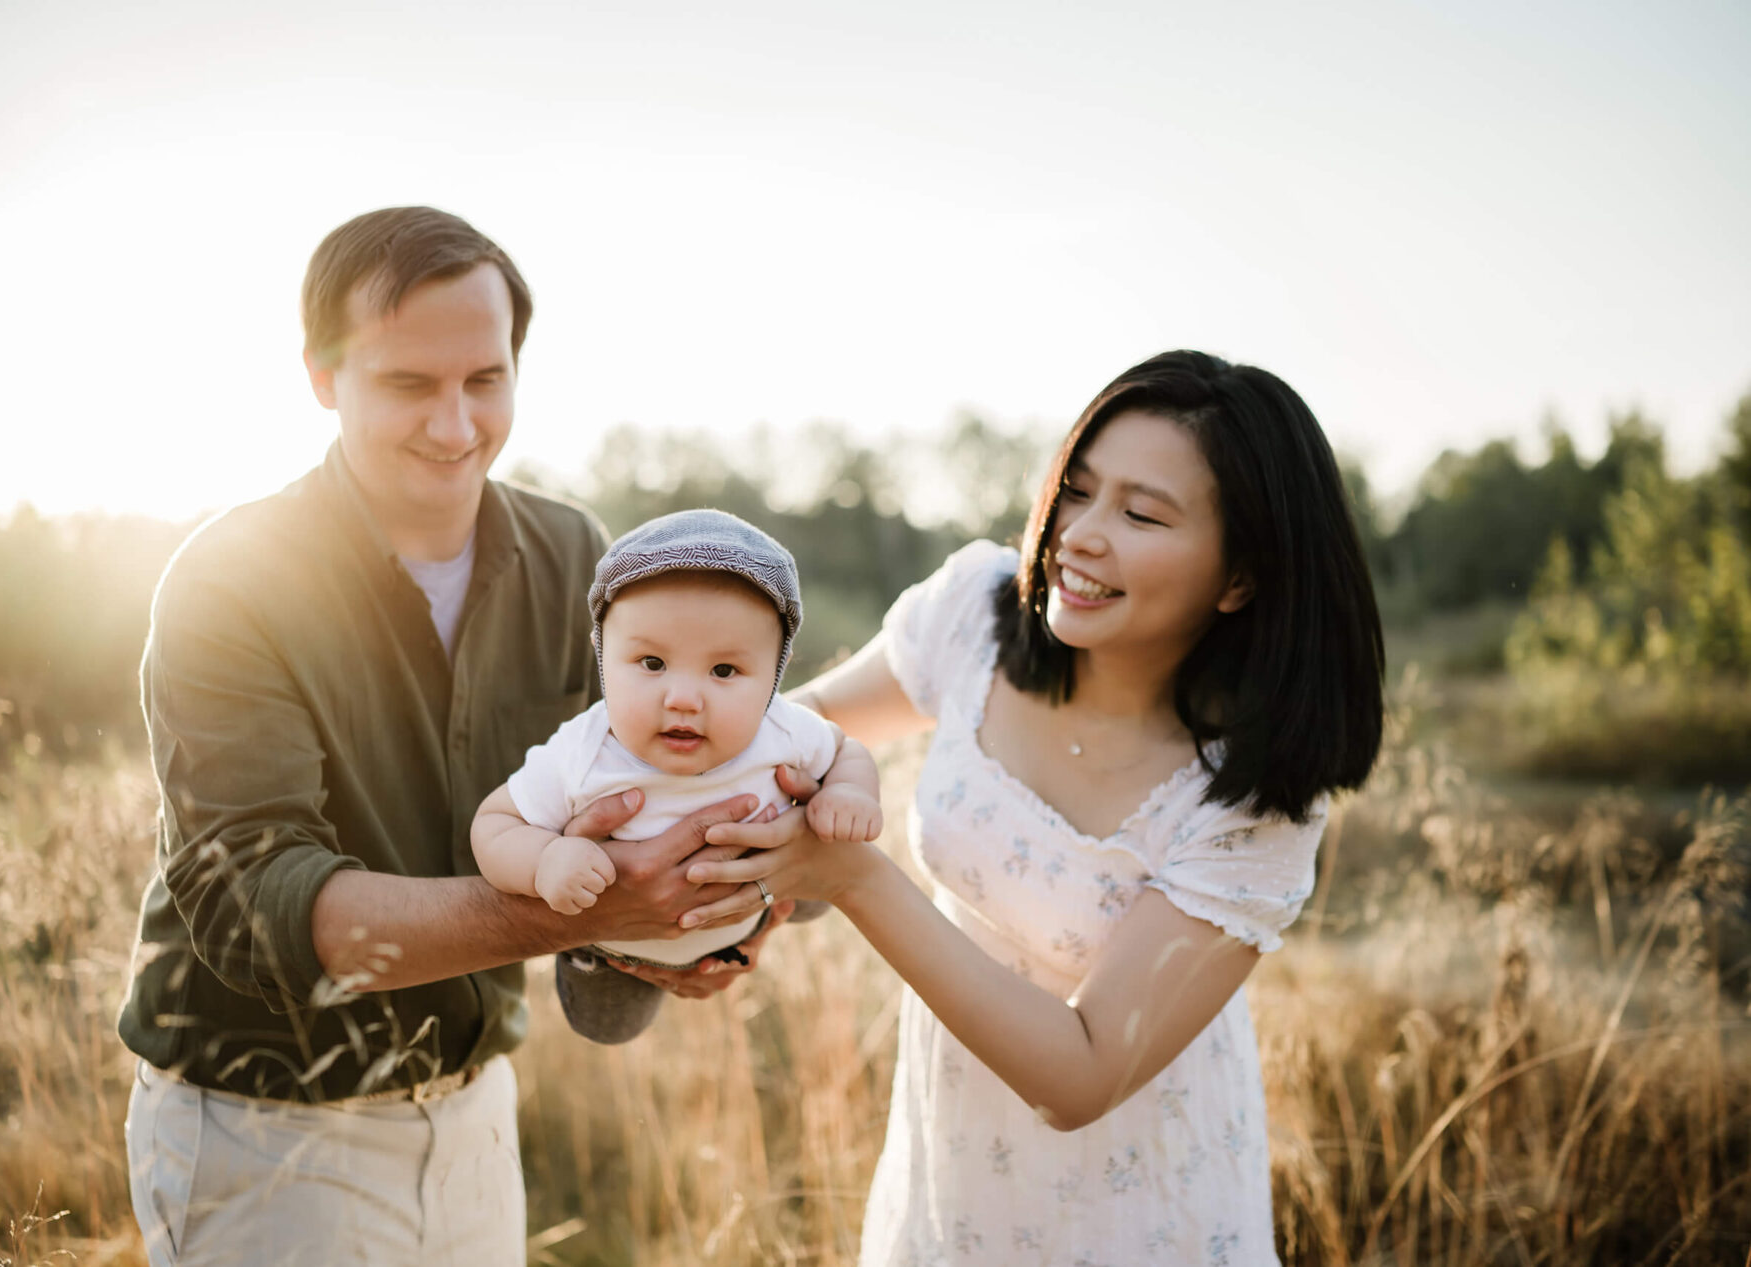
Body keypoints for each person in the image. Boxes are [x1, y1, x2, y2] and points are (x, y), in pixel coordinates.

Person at [115, 207, 784, 1267]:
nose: (456, 422)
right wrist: (585, 907)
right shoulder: (228, 580)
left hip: (476, 1111)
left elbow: (618, 800)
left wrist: (679, 932)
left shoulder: (577, 560)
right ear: (321, 375)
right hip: (262, 1129)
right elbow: (255, 905)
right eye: (408, 385)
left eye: (485, 378)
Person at [685, 351, 1386, 1265]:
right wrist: (733, 893)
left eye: (1140, 513)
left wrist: (852, 877)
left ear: (1240, 577)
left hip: (1143, 1210)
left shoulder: (1254, 802)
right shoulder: (977, 614)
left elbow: (1082, 1072)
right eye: (1078, 491)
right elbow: (793, 730)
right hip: (957, 1179)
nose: (1081, 534)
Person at [471, 507, 883, 1043]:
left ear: (773, 676)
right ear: (604, 660)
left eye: (724, 671)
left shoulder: (781, 729)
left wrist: (849, 791)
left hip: (748, 907)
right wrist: (545, 859)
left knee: (825, 869)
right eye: (651, 664)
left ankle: (782, 904)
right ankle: (593, 969)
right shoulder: (584, 752)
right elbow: (494, 823)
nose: (684, 699)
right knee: (607, 1027)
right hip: (617, 946)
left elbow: (848, 748)